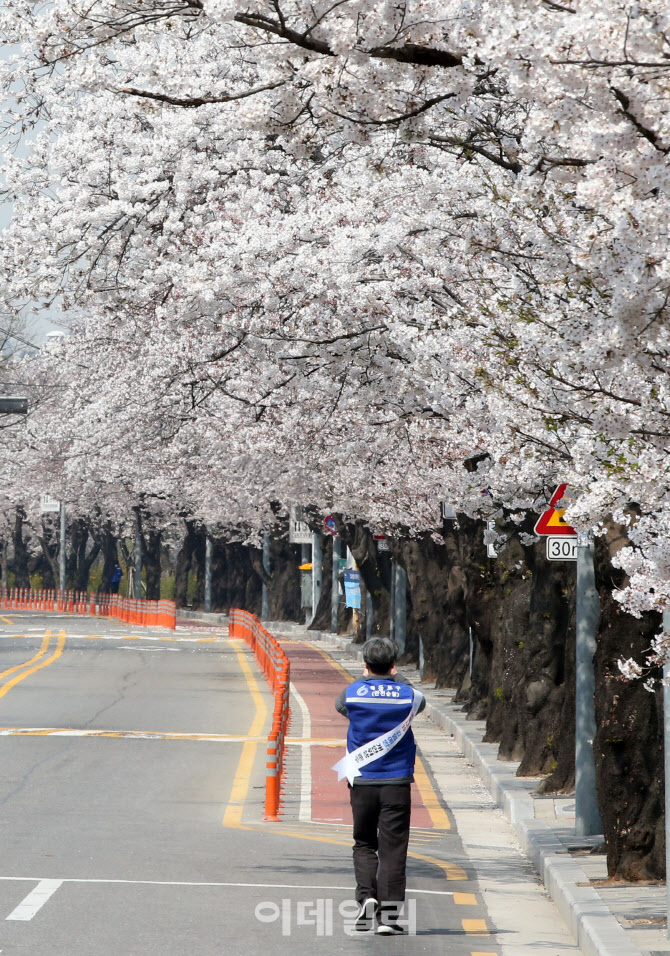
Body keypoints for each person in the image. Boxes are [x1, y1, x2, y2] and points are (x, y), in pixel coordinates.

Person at [334, 637, 425, 936]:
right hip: (397, 782)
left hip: (362, 780)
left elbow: (341, 706)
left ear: (365, 663)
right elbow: (419, 699)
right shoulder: (407, 696)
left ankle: (366, 896)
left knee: (364, 842)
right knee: (393, 849)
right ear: (394, 663)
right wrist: (394, 676)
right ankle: (387, 917)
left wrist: (367, 677)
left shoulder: (354, 693)